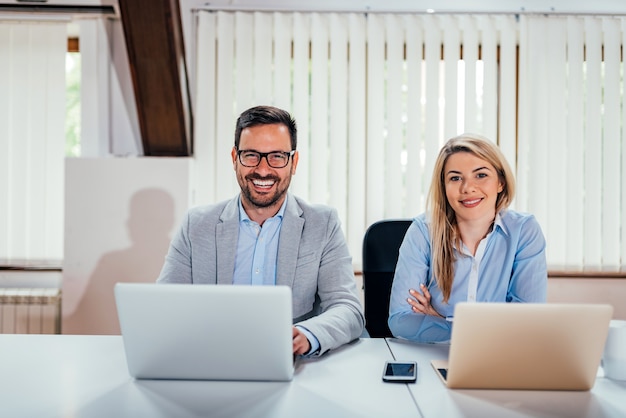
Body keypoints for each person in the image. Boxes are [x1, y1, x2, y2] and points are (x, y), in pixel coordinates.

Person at [157, 105, 364, 356]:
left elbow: (348, 309)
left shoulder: (323, 224)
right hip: (213, 357)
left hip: (292, 363)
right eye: (251, 155)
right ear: (235, 158)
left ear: (293, 162)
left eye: (277, 156)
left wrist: (307, 335)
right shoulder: (197, 225)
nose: (263, 170)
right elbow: (165, 306)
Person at [388, 133, 547, 343]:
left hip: (500, 359)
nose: (468, 188)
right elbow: (401, 320)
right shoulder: (423, 231)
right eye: (455, 178)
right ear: (444, 188)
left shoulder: (524, 231)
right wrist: (484, 332)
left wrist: (443, 321)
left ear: (500, 182)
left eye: (480, 175)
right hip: (434, 356)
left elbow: (528, 323)